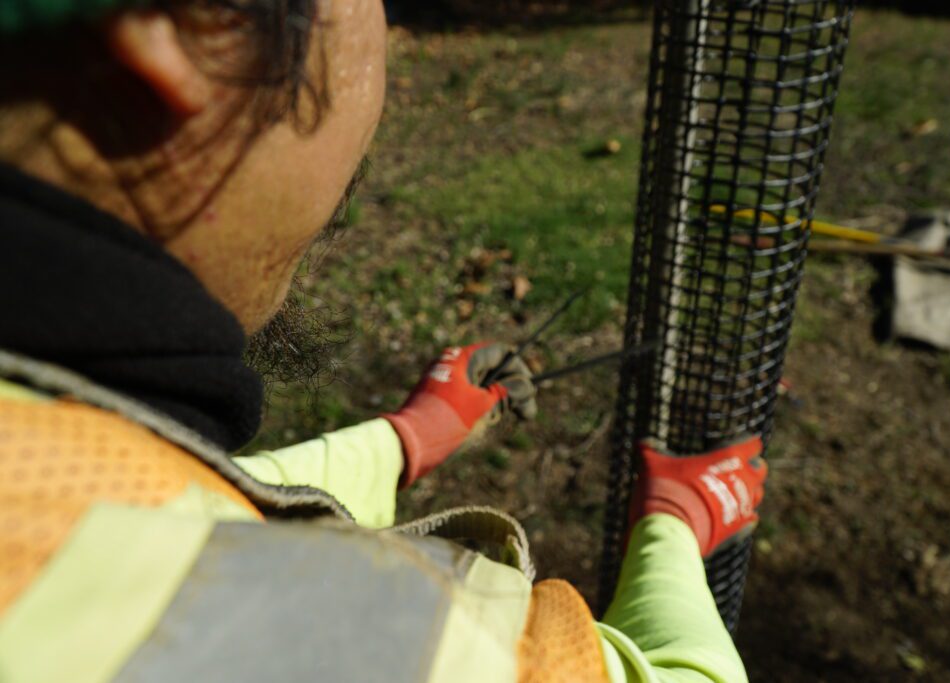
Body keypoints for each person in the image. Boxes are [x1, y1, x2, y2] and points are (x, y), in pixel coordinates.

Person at [0, 1, 767, 681]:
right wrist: (674, 522)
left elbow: (153, 499)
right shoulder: (333, 632)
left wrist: (408, 440)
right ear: (196, 21)